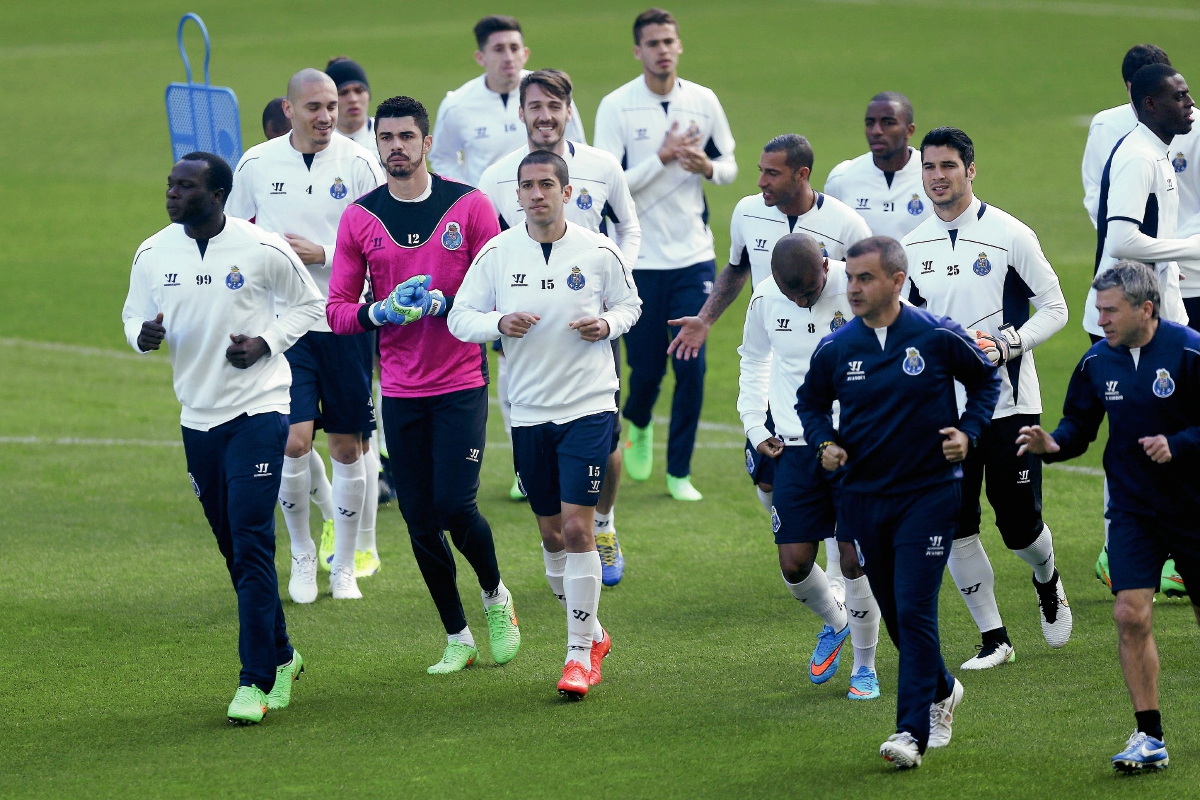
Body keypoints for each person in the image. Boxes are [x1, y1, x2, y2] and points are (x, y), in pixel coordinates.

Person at [121, 152, 324, 724]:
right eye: (169, 184)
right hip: (197, 417)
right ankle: (283, 655)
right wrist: (145, 334)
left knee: (252, 538)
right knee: (234, 549)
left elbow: (310, 303)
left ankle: (253, 681)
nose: (171, 193)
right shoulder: (153, 252)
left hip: (259, 411)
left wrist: (264, 343)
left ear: (217, 195)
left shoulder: (261, 247)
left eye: (184, 186)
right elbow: (132, 316)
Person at [326, 96, 521, 675]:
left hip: (460, 381)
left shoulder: (472, 206)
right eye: (385, 138)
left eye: (406, 137)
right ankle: (456, 635)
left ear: (427, 143)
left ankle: (496, 598)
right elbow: (337, 310)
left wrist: (454, 304)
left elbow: (505, 288)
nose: (396, 148)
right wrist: (379, 312)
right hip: (401, 391)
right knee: (417, 518)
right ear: (376, 144)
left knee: (455, 506)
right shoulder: (360, 218)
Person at [797, 236, 1001, 769]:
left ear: (897, 281)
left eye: (865, 278)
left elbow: (985, 381)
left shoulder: (935, 335)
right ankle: (942, 686)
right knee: (893, 616)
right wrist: (825, 442)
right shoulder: (838, 347)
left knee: (913, 609)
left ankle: (911, 731)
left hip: (929, 495)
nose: (854, 287)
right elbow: (810, 402)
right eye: (851, 278)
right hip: (864, 499)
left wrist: (970, 432)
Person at [449, 150, 642, 698]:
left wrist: (606, 324)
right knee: (552, 535)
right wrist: (497, 323)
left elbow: (632, 305)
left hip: (588, 405)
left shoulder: (599, 250)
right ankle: (594, 632)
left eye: (545, 185)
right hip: (529, 411)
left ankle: (578, 656)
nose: (536, 194)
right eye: (527, 186)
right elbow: (460, 317)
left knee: (580, 530)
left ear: (566, 192)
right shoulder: (496, 252)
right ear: (517, 196)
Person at [1017, 261, 1200, 773]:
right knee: (1129, 613)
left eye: (1110, 310)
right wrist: (1052, 444)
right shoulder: (1096, 362)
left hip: (1193, 506)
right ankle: (1149, 735)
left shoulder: (1189, 351)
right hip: (1134, 509)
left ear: (1146, 308)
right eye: (1097, 310)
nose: (1101, 320)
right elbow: (1079, 425)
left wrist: (1180, 444)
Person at [902, 127, 1071, 669]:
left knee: (1020, 527)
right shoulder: (910, 245)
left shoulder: (1010, 235)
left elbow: (1056, 306)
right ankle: (994, 637)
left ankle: (1046, 579)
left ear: (971, 170)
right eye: (928, 167)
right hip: (942, 412)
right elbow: (902, 325)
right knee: (956, 523)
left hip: (1010, 405)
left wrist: (1009, 342)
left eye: (948, 166)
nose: (937, 177)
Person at [670, 133, 867, 593]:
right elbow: (737, 267)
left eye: (771, 173)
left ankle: (841, 583)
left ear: (802, 174)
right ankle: (805, 540)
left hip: (832, 377)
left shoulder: (846, 225)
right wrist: (705, 318)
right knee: (766, 479)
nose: (760, 181)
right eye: (760, 170)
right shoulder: (745, 212)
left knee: (840, 497)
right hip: (774, 365)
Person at [478, 69, 641, 585]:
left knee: (607, 441)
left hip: (591, 326)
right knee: (535, 439)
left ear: (570, 110)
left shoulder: (601, 167)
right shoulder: (498, 176)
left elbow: (628, 227)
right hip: (523, 333)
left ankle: (603, 523)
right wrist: (496, 317)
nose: (544, 115)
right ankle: (561, 540)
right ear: (520, 113)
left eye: (554, 105)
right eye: (534, 106)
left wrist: (616, 281)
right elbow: (482, 251)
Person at [227, 69, 385, 602]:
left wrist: (325, 253)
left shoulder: (361, 163)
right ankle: (300, 554)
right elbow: (234, 238)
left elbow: (382, 247)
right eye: (314, 107)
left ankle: (342, 562)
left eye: (333, 106)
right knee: (293, 442)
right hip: (284, 326)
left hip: (343, 321)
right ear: (289, 110)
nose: (326, 117)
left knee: (346, 447)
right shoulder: (256, 163)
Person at [594, 7, 737, 500]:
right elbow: (609, 183)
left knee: (691, 365)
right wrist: (663, 156)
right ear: (638, 51)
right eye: (652, 43)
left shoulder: (703, 100)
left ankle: (679, 473)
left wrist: (706, 166)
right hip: (638, 258)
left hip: (693, 256)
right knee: (647, 368)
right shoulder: (616, 106)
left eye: (668, 41)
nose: (662, 50)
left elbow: (730, 164)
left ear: (679, 46)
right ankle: (637, 420)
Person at [737, 233, 882, 700]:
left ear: (827, 264)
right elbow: (754, 359)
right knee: (794, 562)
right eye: (791, 294)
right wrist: (754, 426)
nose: (801, 302)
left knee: (852, 557)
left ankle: (865, 667)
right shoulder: (764, 297)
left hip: (854, 446)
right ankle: (837, 623)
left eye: (809, 292)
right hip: (795, 447)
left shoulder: (858, 288)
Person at [429, 15, 585, 187]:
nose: (509, 57)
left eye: (514, 48)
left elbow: (576, 147)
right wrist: (466, 194)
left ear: (525, 54)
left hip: (543, 200)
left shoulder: (552, 95)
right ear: (481, 57)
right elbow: (442, 156)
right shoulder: (456, 105)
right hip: (487, 207)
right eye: (498, 49)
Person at [824, 92, 933, 242]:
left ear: (909, 130)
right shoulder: (842, 179)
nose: (876, 131)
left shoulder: (934, 175)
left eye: (888, 123)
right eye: (870, 123)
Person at [326, 57, 375, 149]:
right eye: (343, 93)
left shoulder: (389, 137)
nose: (353, 99)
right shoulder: (318, 143)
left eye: (359, 90)